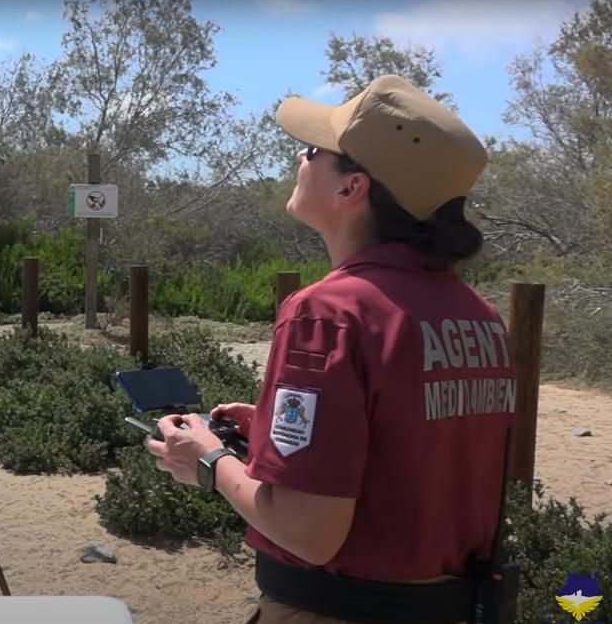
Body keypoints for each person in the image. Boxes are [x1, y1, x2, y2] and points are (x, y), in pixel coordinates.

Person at [147, 74, 517, 624]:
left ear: (352, 188)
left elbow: (308, 534)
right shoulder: (478, 316)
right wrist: (279, 437)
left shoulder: (328, 314)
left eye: (317, 150)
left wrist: (207, 460)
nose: (301, 155)